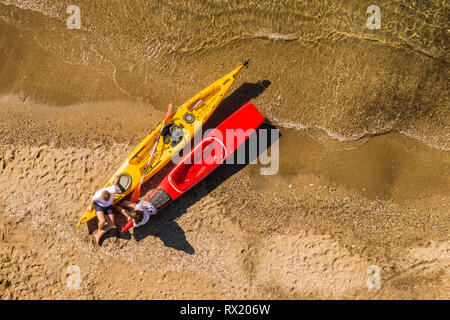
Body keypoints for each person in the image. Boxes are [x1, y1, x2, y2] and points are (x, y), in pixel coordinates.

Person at [87, 175, 121, 245]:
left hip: (108, 206)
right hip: (99, 205)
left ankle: (99, 235)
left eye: (107, 199)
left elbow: (115, 184)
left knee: (112, 223)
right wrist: (90, 205)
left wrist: (116, 180)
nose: (106, 200)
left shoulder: (113, 190)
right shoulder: (98, 194)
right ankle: (99, 230)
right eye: (105, 200)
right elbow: (93, 199)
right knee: (102, 221)